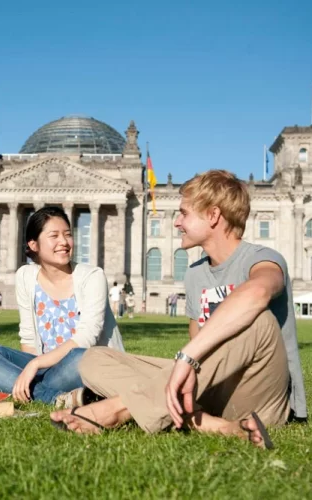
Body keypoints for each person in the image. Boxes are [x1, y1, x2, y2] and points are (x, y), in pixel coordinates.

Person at [51, 170, 307, 448]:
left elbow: (258, 292)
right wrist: (188, 360)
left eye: (184, 213)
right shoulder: (195, 274)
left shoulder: (263, 259)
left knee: (258, 320)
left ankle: (117, 409)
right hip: (212, 391)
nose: (176, 222)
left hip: (259, 396)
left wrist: (187, 357)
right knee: (92, 359)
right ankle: (213, 424)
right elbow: (201, 351)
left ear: (213, 215)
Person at [0, 206, 125, 407]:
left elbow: (87, 338)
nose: (64, 242)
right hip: (46, 368)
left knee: (81, 357)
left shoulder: (92, 276)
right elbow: (28, 336)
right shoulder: (25, 276)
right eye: (54, 236)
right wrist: (34, 364)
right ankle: (56, 397)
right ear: (33, 244)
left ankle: (9, 384)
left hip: (80, 364)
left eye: (68, 235)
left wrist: (35, 364)